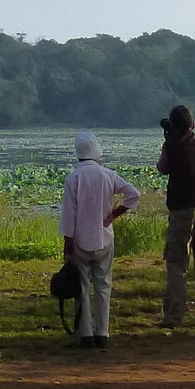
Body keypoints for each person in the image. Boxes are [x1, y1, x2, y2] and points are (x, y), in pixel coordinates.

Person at [59, 132, 140, 349]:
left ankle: (86, 334)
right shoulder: (108, 175)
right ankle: (102, 333)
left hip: (80, 239)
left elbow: (69, 216)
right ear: (96, 153)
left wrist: (68, 245)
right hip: (105, 238)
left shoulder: (73, 179)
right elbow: (133, 194)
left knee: (83, 286)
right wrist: (114, 214)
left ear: (78, 155)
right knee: (104, 285)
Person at [156, 103, 195, 328]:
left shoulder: (170, 146)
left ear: (173, 126)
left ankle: (174, 317)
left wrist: (168, 140)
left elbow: (162, 168)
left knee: (176, 265)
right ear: (193, 124)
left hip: (182, 209)